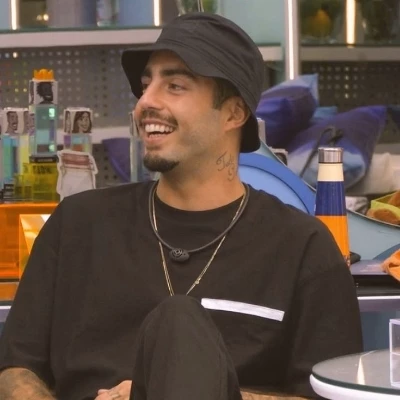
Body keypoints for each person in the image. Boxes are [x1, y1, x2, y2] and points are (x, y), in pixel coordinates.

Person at [0, 12, 363, 400]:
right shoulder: (78, 225)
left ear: (234, 113)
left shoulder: (301, 247)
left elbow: (331, 396)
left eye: (174, 86)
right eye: (146, 86)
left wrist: (181, 391)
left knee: (180, 319)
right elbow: (14, 370)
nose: (145, 102)